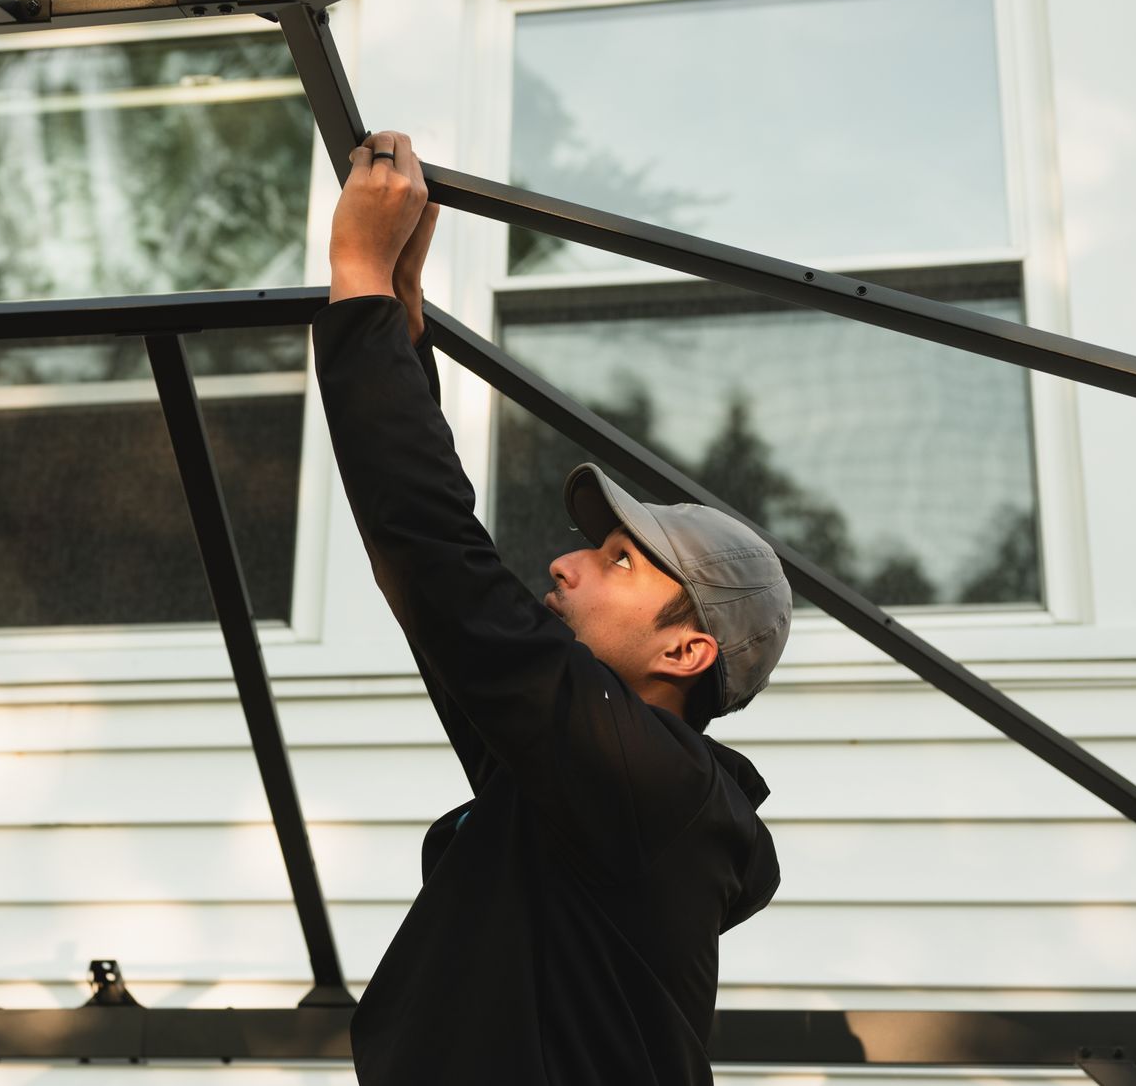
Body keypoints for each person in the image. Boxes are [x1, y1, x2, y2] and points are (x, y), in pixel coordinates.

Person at [312, 129, 791, 1085]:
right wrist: (399, 331)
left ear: (688, 651)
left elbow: (445, 570)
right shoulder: (577, 791)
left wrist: (360, 280)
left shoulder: (649, 782)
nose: (567, 565)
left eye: (618, 562)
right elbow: (437, 597)